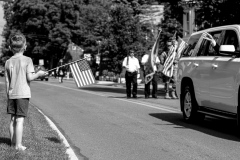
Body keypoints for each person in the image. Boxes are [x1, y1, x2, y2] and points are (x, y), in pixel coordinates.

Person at [4, 33, 47, 151]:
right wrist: (39, 74)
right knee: (20, 120)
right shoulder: (28, 60)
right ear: (25, 47)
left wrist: (9, 94)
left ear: (10, 48)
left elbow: (7, 81)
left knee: (13, 119)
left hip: (12, 94)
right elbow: (30, 78)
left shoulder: (8, 62)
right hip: (22, 94)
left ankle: (13, 143)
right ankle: (18, 145)